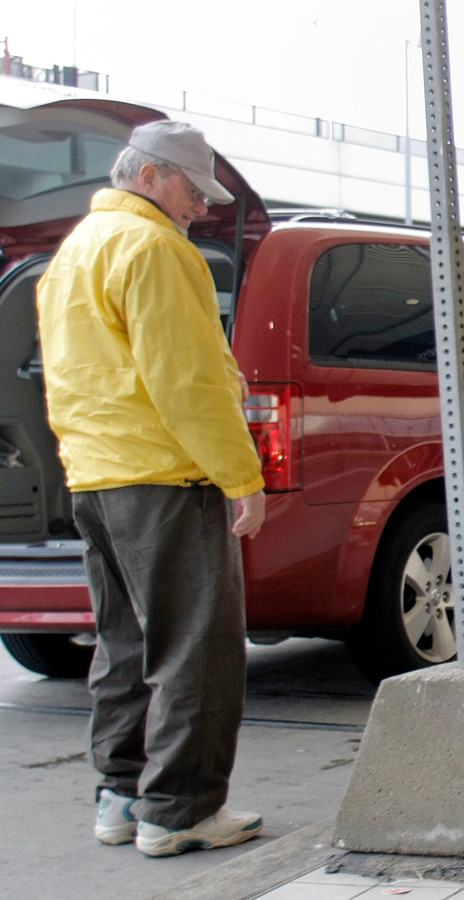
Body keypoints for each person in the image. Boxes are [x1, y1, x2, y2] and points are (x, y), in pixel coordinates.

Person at [35, 121, 267, 857]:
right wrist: (243, 478)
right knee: (198, 649)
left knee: (125, 643)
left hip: (98, 477)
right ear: (151, 177)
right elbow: (189, 382)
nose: (200, 206)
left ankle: (121, 796)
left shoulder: (72, 254)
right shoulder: (158, 250)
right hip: (169, 475)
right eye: (194, 190)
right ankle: (182, 810)